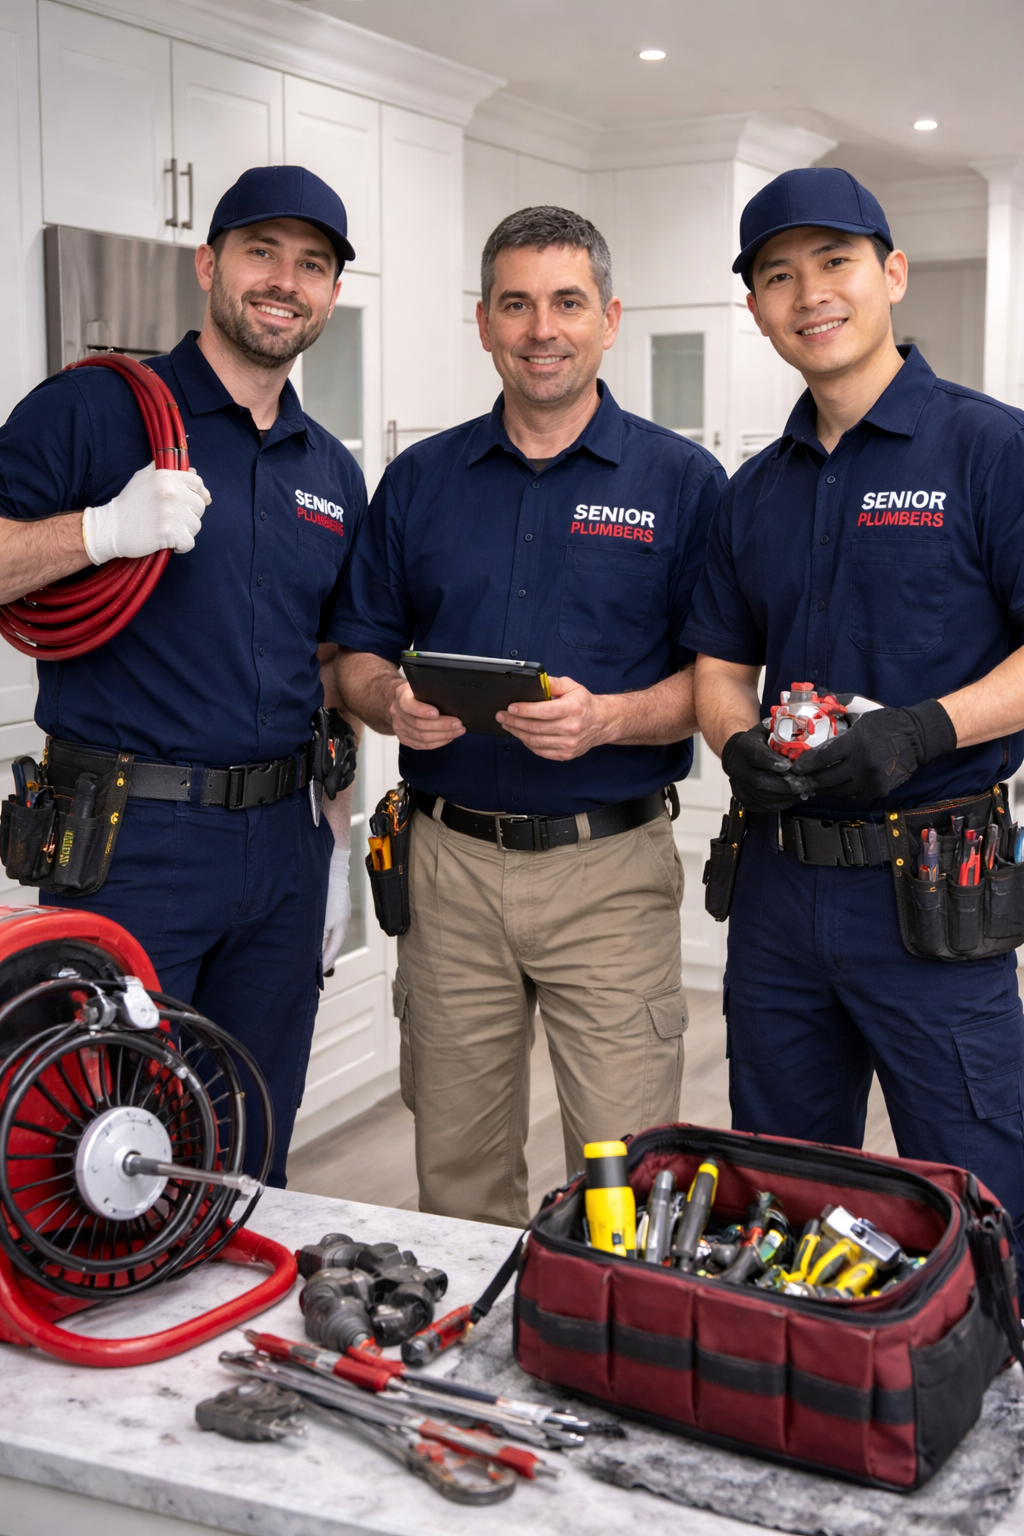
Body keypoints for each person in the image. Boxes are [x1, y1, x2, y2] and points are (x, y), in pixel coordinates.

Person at [333, 205, 725, 1226]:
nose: (541, 329)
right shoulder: (419, 481)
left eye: (567, 303)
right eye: (515, 304)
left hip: (609, 874)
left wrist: (611, 719)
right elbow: (358, 655)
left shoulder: (683, 484)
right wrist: (392, 703)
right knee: (456, 1173)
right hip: (447, 870)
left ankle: (610, 1325)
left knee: (625, 1181)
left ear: (609, 319)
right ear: (483, 322)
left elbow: (720, 683)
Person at [685, 166, 1024, 1287]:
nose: (810, 294)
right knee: (780, 1184)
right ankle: (802, 1367)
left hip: (935, 891)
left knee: (977, 1185)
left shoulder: (990, 450)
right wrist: (734, 741)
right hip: (779, 892)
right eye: (778, 276)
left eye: (834, 263)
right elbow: (719, 667)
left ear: (892, 274)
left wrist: (921, 731)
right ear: (755, 308)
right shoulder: (751, 493)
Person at [0, 166, 365, 1184]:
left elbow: (328, 666)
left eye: (313, 265)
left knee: (252, 1141)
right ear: (208, 264)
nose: (285, 281)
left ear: (332, 293)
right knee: (105, 1146)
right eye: (262, 252)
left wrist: (334, 846)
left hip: (285, 845)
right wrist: (99, 531)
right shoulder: (92, 411)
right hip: (131, 842)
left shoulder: (331, 470)